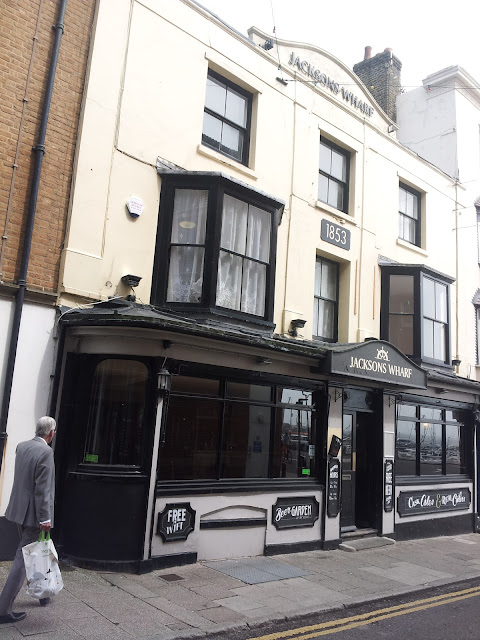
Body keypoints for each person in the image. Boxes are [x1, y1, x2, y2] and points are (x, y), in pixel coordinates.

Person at [0, 416, 56, 624]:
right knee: (23, 560)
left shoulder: (22, 446)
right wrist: (45, 518)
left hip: (17, 511)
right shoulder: (46, 452)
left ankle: (43, 595)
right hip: (33, 516)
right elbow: (43, 489)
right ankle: (3, 609)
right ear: (51, 433)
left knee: (31, 553)